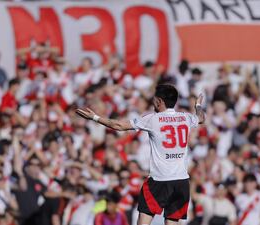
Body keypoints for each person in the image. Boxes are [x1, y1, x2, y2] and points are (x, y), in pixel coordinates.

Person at [76, 84, 205, 225]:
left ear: (159, 101)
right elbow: (201, 118)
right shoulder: (185, 118)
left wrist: (94, 117)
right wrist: (198, 105)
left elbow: (118, 125)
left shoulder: (152, 119)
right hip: (181, 181)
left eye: (154, 99)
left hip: (159, 180)